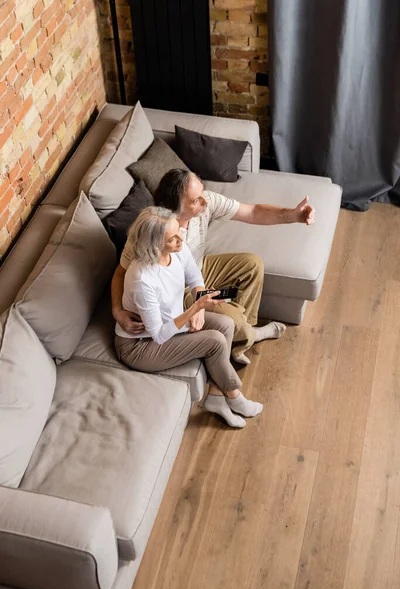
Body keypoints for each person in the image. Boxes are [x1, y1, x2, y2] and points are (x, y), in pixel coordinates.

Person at [112, 169, 316, 364]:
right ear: (175, 207)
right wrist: (117, 312)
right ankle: (249, 332)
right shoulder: (151, 233)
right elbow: (121, 273)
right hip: (176, 291)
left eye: (202, 192)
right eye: (196, 200)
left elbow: (253, 212)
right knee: (231, 319)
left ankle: (242, 335)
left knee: (252, 264)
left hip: (199, 271)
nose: (205, 202)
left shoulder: (206, 203)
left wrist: (293, 216)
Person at [114, 206, 263, 429]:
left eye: (178, 232)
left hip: (168, 324)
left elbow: (194, 278)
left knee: (226, 324)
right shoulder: (142, 280)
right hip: (140, 345)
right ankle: (234, 396)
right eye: (172, 238)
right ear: (154, 245)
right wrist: (194, 309)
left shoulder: (176, 250)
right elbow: (158, 335)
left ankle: (216, 397)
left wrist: (201, 304)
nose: (180, 238)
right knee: (214, 341)